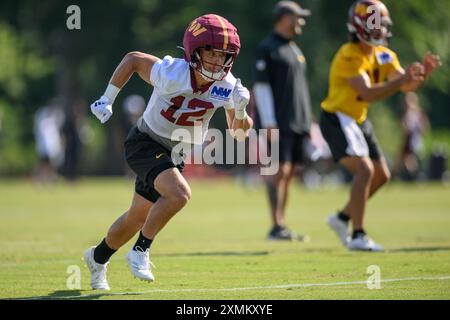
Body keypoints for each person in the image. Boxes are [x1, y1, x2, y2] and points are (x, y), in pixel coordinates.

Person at [84, 14, 253, 290]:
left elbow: (239, 132)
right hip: (146, 142)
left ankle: (97, 257)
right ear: (195, 49)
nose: (216, 61)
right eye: (210, 52)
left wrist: (242, 109)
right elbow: (133, 59)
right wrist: (108, 98)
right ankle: (140, 250)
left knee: (137, 216)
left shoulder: (228, 86)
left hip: (175, 154)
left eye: (223, 55)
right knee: (180, 194)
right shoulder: (173, 72)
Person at [320, 0, 441, 251]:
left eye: (381, 25)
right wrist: (403, 80)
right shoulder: (348, 55)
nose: (378, 30)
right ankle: (358, 234)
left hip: (358, 120)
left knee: (382, 175)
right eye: (372, 25)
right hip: (337, 118)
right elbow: (367, 93)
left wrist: (421, 76)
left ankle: (342, 218)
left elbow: (405, 85)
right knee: (364, 170)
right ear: (358, 27)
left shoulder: (384, 54)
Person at [253, 1, 313, 241]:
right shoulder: (267, 48)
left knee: (288, 173)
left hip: (297, 121)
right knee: (278, 171)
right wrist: (268, 121)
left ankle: (282, 224)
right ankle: (275, 226)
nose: (301, 22)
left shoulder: (294, 49)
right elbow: (261, 86)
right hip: (277, 122)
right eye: (297, 17)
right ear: (284, 18)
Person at [396, 92, 429, 180]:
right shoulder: (413, 113)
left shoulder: (416, 113)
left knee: (409, 160)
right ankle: (414, 175)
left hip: (412, 140)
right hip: (410, 140)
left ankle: (416, 176)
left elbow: (423, 128)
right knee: (406, 160)